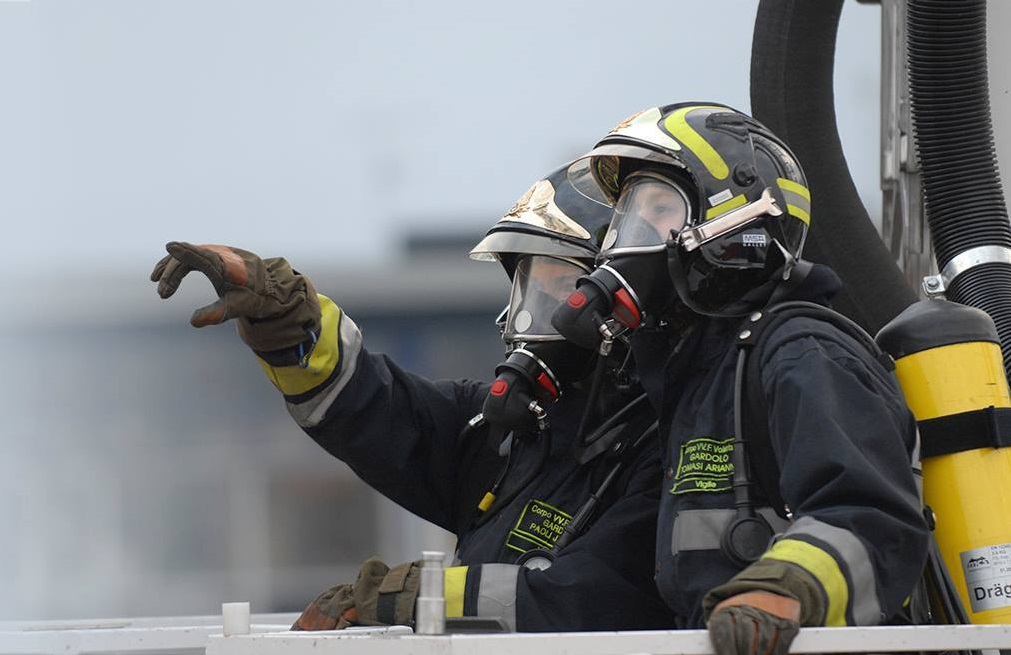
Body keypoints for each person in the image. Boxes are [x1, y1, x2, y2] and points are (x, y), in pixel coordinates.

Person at [150, 165, 674, 632]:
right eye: (529, 291)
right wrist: (284, 321)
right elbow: (379, 410)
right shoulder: (519, 432)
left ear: (628, 300)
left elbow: (588, 601)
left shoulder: (668, 449)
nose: (535, 317)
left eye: (560, 289)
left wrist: (413, 597)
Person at [551, 103, 929, 655]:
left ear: (736, 221)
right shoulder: (697, 378)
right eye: (630, 216)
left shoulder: (801, 353)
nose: (626, 240)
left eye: (658, 210)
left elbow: (872, 518)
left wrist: (782, 590)